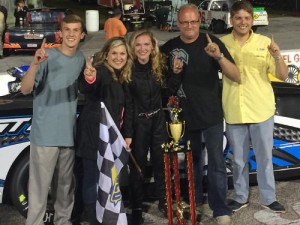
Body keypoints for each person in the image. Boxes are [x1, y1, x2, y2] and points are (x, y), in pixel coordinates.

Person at [161, 3, 240, 225]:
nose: (189, 26)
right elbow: (163, 87)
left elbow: (236, 75)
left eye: (193, 21)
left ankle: (220, 209)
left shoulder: (212, 43)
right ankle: (193, 206)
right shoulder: (167, 49)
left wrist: (219, 58)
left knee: (215, 164)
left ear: (200, 21)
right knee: (191, 164)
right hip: (183, 120)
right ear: (178, 23)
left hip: (212, 116)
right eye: (184, 22)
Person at [220, 0, 288, 213]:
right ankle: (241, 197)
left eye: (247, 18)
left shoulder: (265, 42)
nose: (242, 22)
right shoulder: (220, 43)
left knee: (265, 158)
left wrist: (277, 55)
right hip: (234, 109)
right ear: (231, 20)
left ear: (252, 20)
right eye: (238, 18)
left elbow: (283, 76)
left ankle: (269, 198)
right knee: (238, 159)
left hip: (261, 109)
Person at [20, 14, 85, 225]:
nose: (71, 34)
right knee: (39, 190)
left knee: (65, 189)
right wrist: (34, 63)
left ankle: (63, 222)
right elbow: (25, 89)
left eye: (76, 30)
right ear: (60, 33)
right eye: (68, 30)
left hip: (68, 134)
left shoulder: (81, 58)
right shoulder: (46, 55)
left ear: (82, 35)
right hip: (45, 135)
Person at [76, 37, 133, 225]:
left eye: (122, 53)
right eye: (114, 53)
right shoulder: (101, 71)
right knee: (92, 179)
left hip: (109, 140)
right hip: (93, 137)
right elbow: (88, 86)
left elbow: (126, 110)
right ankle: (91, 217)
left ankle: (104, 215)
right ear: (106, 55)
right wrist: (89, 78)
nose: (118, 57)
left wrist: (127, 135)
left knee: (106, 180)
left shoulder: (122, 76)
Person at [123, 30, 170, 225]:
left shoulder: (160, 66)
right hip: (138, 124)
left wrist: (175, 73)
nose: (142, 48)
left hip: (158, 121)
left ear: (152, 47)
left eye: (146, 44)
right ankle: (136, 206)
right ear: (133, 48)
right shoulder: (128, 69)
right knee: (138, 168)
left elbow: (169, 92)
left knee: (162, 164)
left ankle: (164, 201)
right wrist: (128, 133)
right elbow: (128, 104)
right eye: (138, 45)